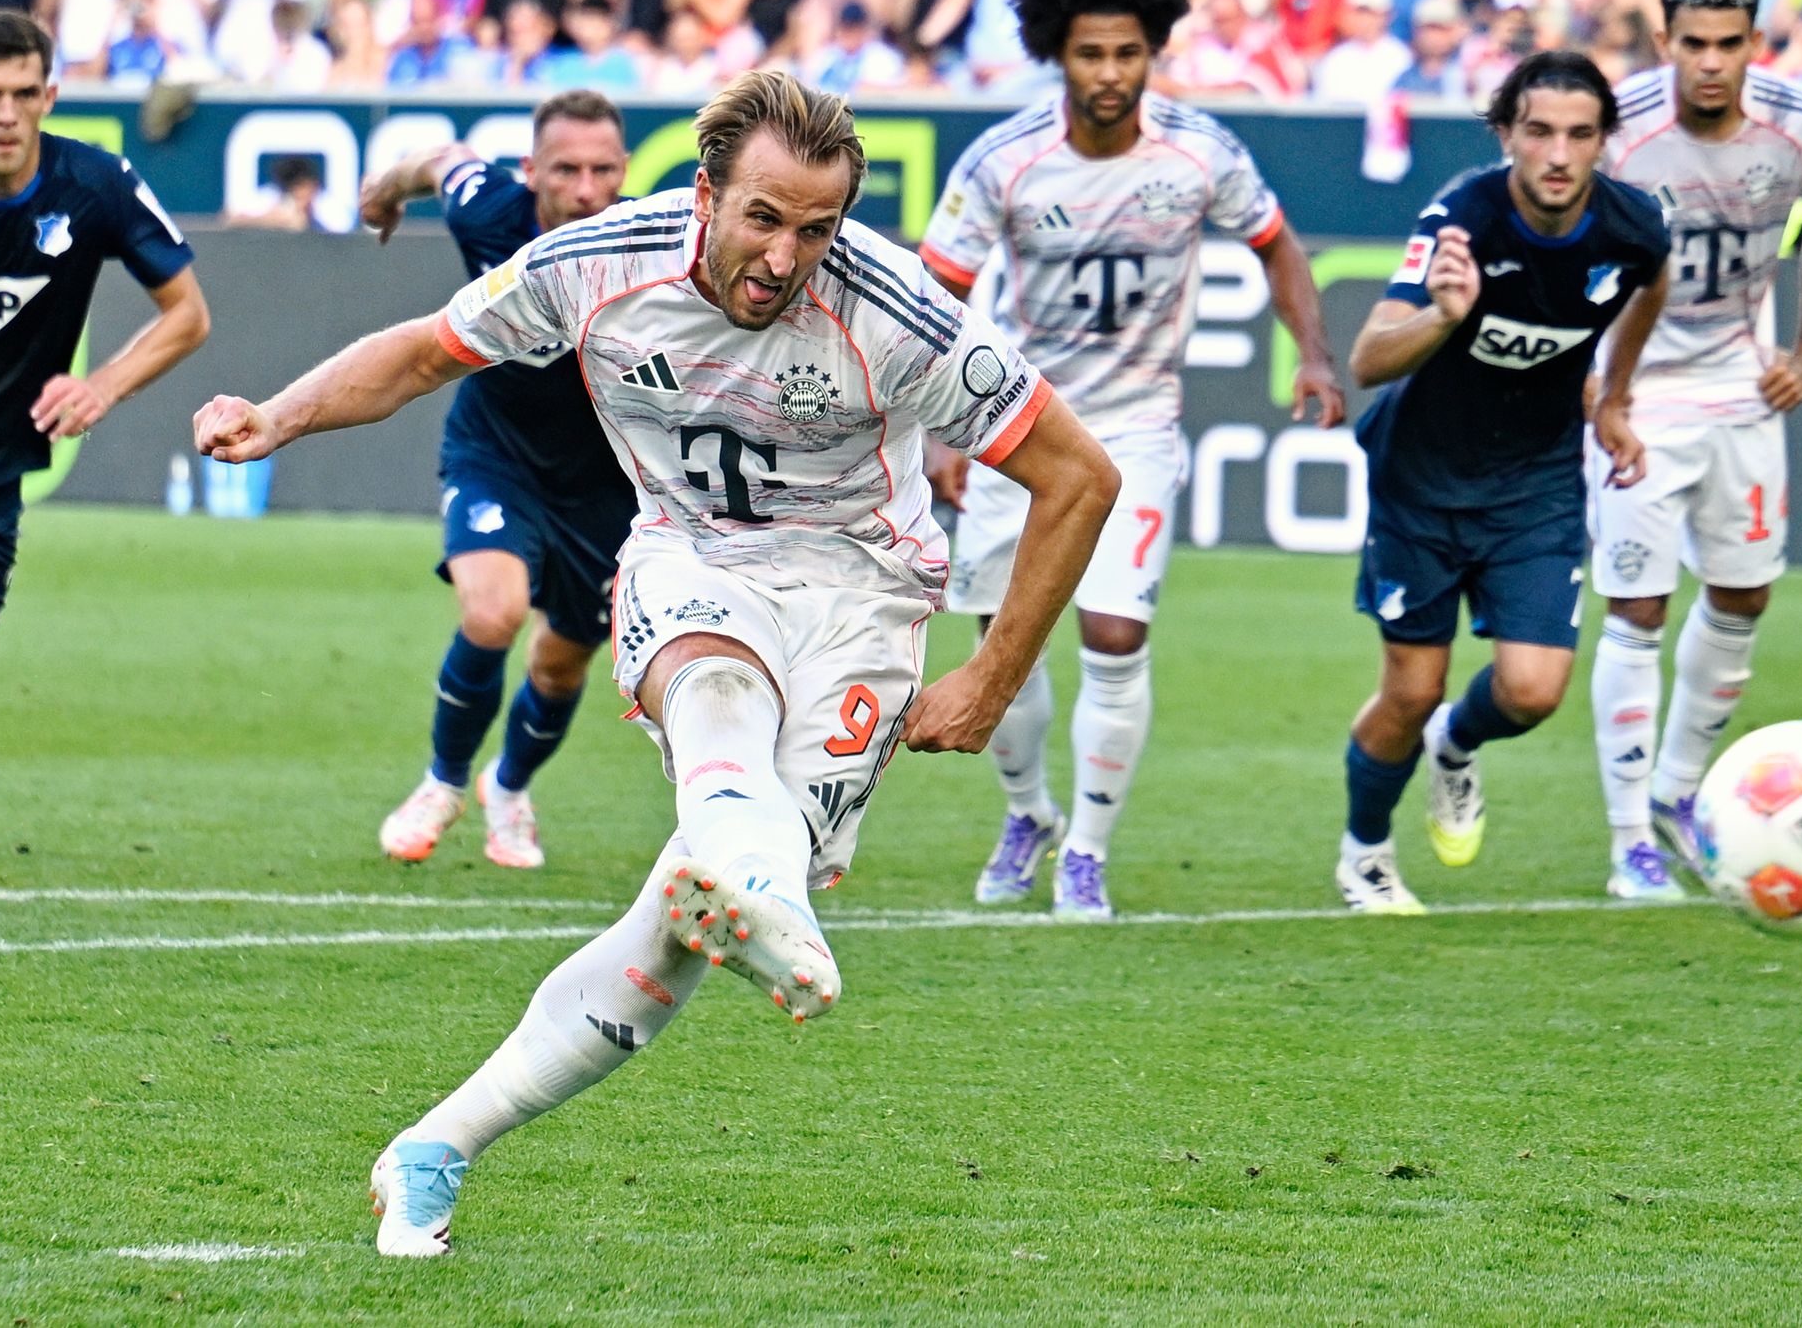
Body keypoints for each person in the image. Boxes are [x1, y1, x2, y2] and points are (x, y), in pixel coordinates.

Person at [191, 70, 1116, 1257]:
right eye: (762, 219)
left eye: (816, 230)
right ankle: (767, 889)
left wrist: (990, 678)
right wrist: (277, 415)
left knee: (682, 926)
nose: (785, 257)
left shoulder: (897, 312)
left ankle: (438, 1144)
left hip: (862, 596)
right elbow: (423, 355)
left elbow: (1078, 476)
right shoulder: (593, 262)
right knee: (715, 704)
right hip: (693, 557)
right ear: (704, 195)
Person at [919, 0, 1345, 918]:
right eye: (1089, 54)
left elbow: (1277, 242)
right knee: (1004, 640)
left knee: (1115, 633)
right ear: (1057, 54)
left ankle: (1089, 852)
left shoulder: (1199, 151)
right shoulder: (1003, 159)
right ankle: (1029, 814)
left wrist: (1314, 357)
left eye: (1127, 53)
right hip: (1017, 422)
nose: (1109, 73)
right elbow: (939, 290)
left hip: (1136, 425)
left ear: (1153, 51)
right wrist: (941, 426)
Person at [1334, 50, 1668, 913]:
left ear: (1603, 141)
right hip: (1423, 479)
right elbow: (1368, 358)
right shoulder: (1462, 218)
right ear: (1507, 135)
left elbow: (1651, 280)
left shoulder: (1635, 227)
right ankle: (1365, 852)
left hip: (1537, 482)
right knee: (1410, 690)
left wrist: (1612, 398)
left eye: (1579, 135)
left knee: (1532, 690)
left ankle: (1455, 742)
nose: (1558, 154)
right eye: (1539, 132)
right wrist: (1446, 316)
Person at [1590, 0, 1802, 898]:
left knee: (1744, 596)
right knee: (1638, 608)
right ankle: (1630, 842)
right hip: (1636, 395)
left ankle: (1677, 793)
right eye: (1693, 44)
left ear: (1754, 44)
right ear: (1664, 42)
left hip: (1741, 384)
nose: (1710, 62)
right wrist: (1595, 380)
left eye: (1728, 44)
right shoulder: (1616, 129)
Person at [355, 90, 635, 870]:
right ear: (529, 170)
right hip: (496, 452)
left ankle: (507, 788)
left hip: (608, 484)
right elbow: (443, 159)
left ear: (624, 170)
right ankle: (442, 782)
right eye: (566, 170)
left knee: (561, 663)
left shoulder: (647, 244)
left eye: (603, 170)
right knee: (493, 612)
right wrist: (385, 190)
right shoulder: (490, 214)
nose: (586, 189)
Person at [0, 10, 209, 643]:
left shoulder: (95, 185)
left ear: (49, 97)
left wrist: (103, 386)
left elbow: (188, 313)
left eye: (23, 94)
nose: (6, 115)